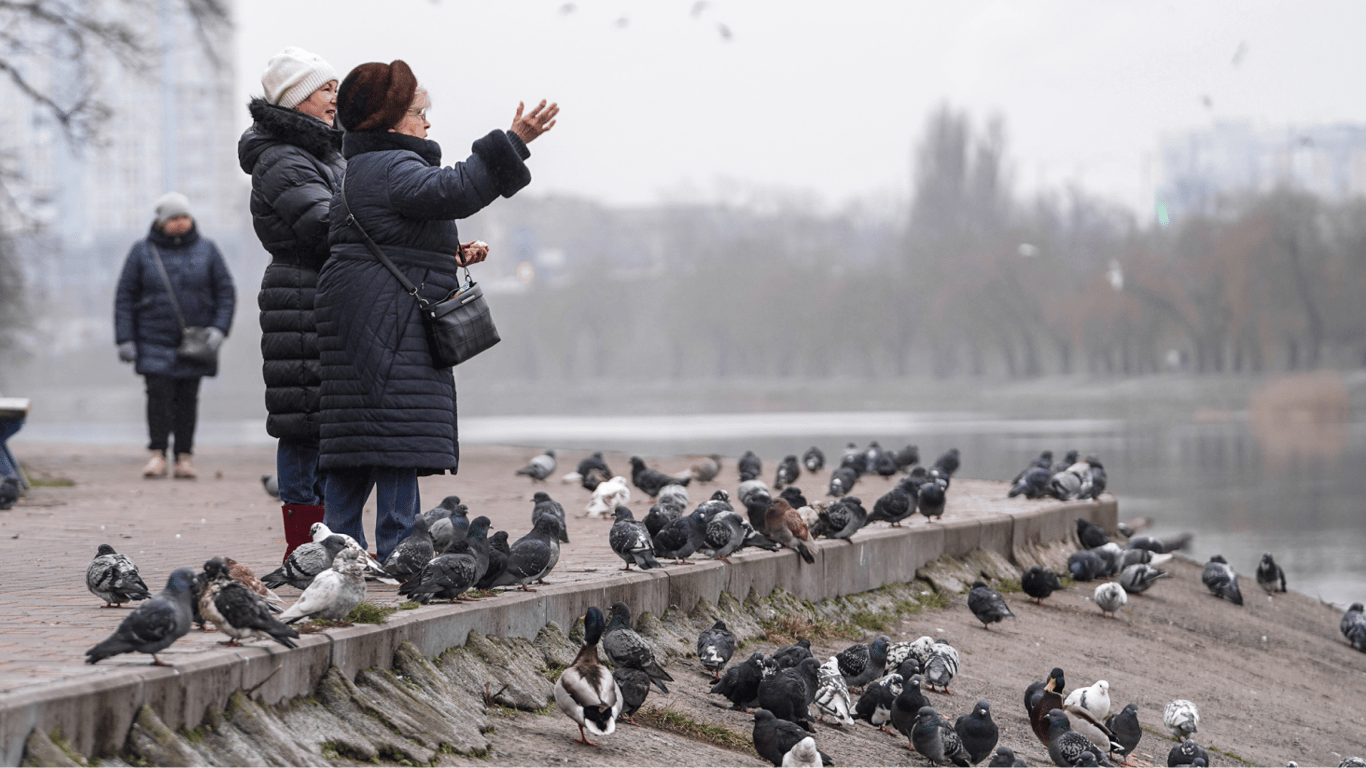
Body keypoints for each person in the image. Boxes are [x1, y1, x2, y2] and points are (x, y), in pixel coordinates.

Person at [316, 59, 557, 561]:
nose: (427, 123)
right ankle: (403, 551)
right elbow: (454, 191)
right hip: (388, 322)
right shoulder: (392, 165)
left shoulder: (360, 168)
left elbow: (387, 237)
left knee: (359, 440)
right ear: (392, 120)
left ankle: (339, 551)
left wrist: (447, 255)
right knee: (396, 435)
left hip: (362, 311)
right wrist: (513, 142)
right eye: (420, 112)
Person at [238, 46, 345, 558]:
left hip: (322, 291)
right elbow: (323, 224)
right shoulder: (282, 158)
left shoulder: (325, 152)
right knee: (303, 423)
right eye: (326, 89)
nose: (335, 98)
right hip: (300, 294)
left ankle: (326, 543)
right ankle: (303, 548)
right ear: (298, 99)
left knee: (324, 421)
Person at [114, 193, 236, 480]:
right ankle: (157, 455)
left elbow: (226, 292)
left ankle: (184, 456)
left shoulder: (208, 250)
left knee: (187, 399)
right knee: (158, 398)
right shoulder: (141, 252)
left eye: (184, 217)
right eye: (173, 219)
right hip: (151, 340)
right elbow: (124, 297)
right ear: (161, 222)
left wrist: (219, 328)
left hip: (194, 342)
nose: (180, 223)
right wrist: (125, 339)